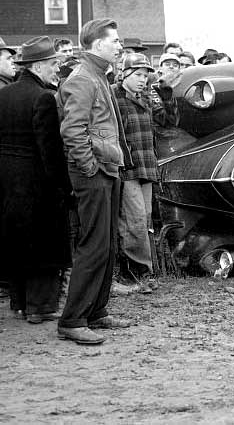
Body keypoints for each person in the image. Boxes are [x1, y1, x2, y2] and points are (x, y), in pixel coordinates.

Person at [57, 18, 131, 345]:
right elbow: (73, 131)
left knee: (108, 244)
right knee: (93, 246)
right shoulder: (84, 79)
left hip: (107, 169)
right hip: (95, 172)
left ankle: (96, 311)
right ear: (97, 44)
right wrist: (90, 169)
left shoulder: (97, 75)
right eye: (114, 41)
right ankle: (72, 320)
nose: (119, 45)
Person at [0, 36, 72, 323]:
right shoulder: (43, 97)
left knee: (17, 241)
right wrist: (64, 188)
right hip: (36, 182)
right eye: (54, 64)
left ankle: (19, 303)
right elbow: (50, 151)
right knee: (43, 243)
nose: (57, 70)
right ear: (39, 66)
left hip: (6, 182)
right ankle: (40, 308)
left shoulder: (3, 94)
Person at [113, 53, 178, 291]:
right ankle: (135, 273)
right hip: (127, 167)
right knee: (135, 221)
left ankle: (140, 273)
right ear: (125, 74)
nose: (143, 79)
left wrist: (168, 98)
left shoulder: (146, 97)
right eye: (138, 75)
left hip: (146, 166)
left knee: (144, 220)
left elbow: (168, 122)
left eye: (145, 75)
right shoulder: (113, 96)